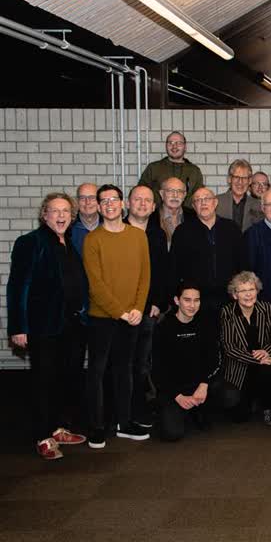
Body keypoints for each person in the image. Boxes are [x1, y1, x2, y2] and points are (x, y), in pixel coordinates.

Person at [7, 192, 89, 459]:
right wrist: (18, 327)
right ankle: (43, 437)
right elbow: (18, 286)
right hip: (43, 327)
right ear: (45, 215)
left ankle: (57, 428)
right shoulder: (30, 242)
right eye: (55, 210)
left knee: (65, 380)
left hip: (71, 326)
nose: (61, 215)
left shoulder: (68, 243)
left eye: (66, 211)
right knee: (45, 382)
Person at [82, 184, 151, 448]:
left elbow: (145, 276)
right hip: (102, 318)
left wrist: (138, 308)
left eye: (114, 199)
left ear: (123, 204)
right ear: (99, 207)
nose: (109, 204)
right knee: (97, 372)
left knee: (125, 371)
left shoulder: (138, 236)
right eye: (104, 201)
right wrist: (120, 312)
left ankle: (124, 422)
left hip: (132, 317)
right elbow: (95, 284)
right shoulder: (93, 239)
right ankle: (96, 426)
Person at [124, 185, 169, 428]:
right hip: (122, 311)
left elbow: (161, 272)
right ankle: (122, 411)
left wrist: (157, 303)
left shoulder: (157, 234)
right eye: (137, 199)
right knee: (123, 363)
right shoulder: (116, 230)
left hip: (149, 310)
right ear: (128, 203)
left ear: (153, 207)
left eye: (147, 201)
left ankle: (141, 407)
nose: (142, 204)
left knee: (143, 364)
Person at [153, 283, 219, 442]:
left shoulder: (206, 324)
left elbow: (214, 359)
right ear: (177, 300)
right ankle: (179, 410)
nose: (192, 305)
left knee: (229, 395)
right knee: (172, 434)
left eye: (196, 300)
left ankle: (197, 410)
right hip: (174, 389)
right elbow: (157, 369)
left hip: (199, 385)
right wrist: (177, 396)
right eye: (187, 300)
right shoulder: (163, 327)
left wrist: (204, 384)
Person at [220, 271, 271, 425]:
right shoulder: (227, 312)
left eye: (251, 289)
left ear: (257, 291)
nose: (248, 294)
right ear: (235, 295)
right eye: (243, 291)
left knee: (268, 371)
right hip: (240, 367)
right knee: (239, 417)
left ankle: (267, 406)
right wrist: (257, 359)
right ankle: (252, 399)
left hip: (265, 365)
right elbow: (229, 347)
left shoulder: (267, 308)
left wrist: (266, 352)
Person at [170, 188, 243, 314]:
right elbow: (174, 266)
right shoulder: (182, 231)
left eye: (207, 199)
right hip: (195, 300)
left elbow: (242, 262)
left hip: (228, 297)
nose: (203, 203)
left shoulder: (232, 228)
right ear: (194, 206)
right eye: (198, 200)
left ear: (215, 203)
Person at [137, 131, 204, 204]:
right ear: (166, 146)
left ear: (185, 147)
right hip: (158, 211)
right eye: (170, 143)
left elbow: (200, 197)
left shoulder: (194, 171)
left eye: (179, 143)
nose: (174, 146)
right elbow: (140, 193)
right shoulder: (153, 168)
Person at [215, 159, 263, 232]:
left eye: (244, 178)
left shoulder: (258, 206)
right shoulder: (216, 202)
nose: (240, 182)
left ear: (249, 181)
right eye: (236, 177)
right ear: (229, 179)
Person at [154, 177, 195, 249]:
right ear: (161, 194)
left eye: (179, 191)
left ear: (184, 195)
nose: (175, 195)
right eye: (170, 191)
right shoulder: (151, 217)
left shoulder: (194, 216)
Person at [71, 182, 100, 255]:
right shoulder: (68, 229)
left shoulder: (109, 226)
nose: (87, 202)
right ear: (77, 201)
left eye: (92, 198)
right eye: (82, 198)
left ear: (99, 201)